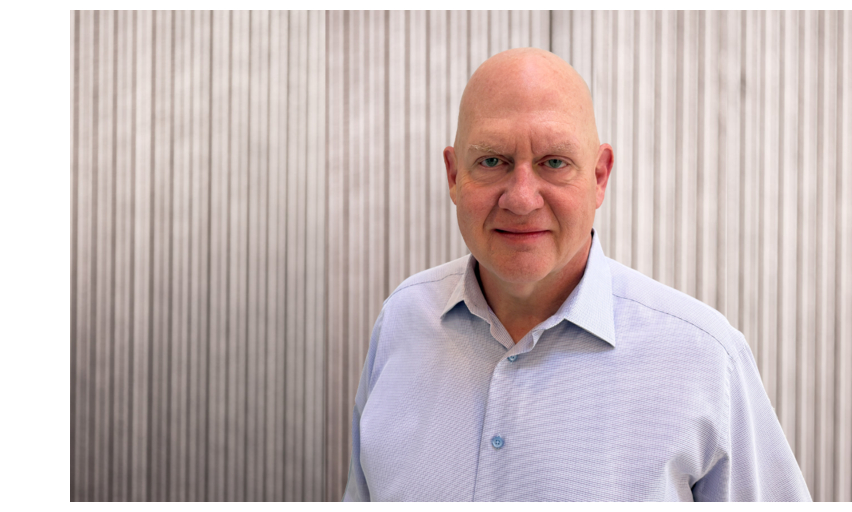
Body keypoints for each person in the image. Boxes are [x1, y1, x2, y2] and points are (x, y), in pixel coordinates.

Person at [343, 47, 811, 502]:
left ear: (600, 176)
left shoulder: (704, 359)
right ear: (453, 174)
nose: (521, 199)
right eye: (491, 161)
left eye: (554, 162)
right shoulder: (402, 321)